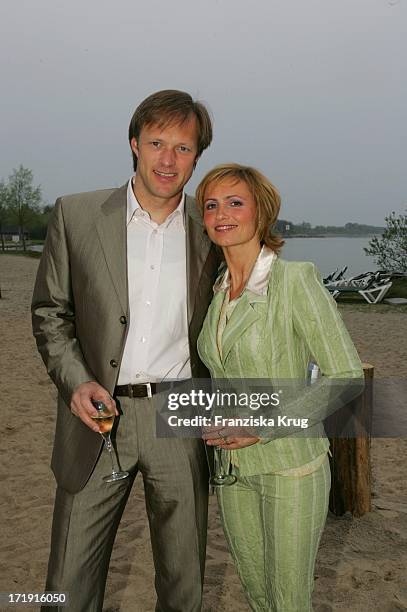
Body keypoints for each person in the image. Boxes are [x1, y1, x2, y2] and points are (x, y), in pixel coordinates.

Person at [31, 89, 220, 612]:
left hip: (179, 418)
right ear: (134, 143)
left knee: (183, 585)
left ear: (197, 157)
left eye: (183, 148)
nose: (168, 159)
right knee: (67, 585)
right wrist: (75, 382)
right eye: (157, 143)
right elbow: (50, 313)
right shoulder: (76, 214)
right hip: (97, 418)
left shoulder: (212, 232)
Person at [195, 163, 364, 612]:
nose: (221, 212)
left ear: (261, 213)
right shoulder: (215, 290)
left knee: (289, 602)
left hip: (291, 467)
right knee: (256, 593)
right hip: (231, 470)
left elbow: (345, 377)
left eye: (235, 202)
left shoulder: (295, 280)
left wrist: (262, 426)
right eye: (211, 205)